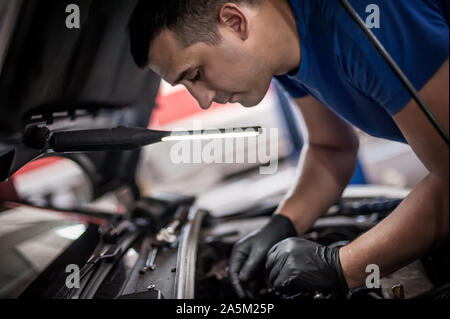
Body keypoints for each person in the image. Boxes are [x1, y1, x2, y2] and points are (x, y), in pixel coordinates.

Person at [128, 0, 449, 297]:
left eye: (196, 74)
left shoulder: (368, 16)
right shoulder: (282, 53)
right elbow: (331, 148)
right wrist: (284, 223)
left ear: (234, 21)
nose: (203, 100)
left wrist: (342, 265)